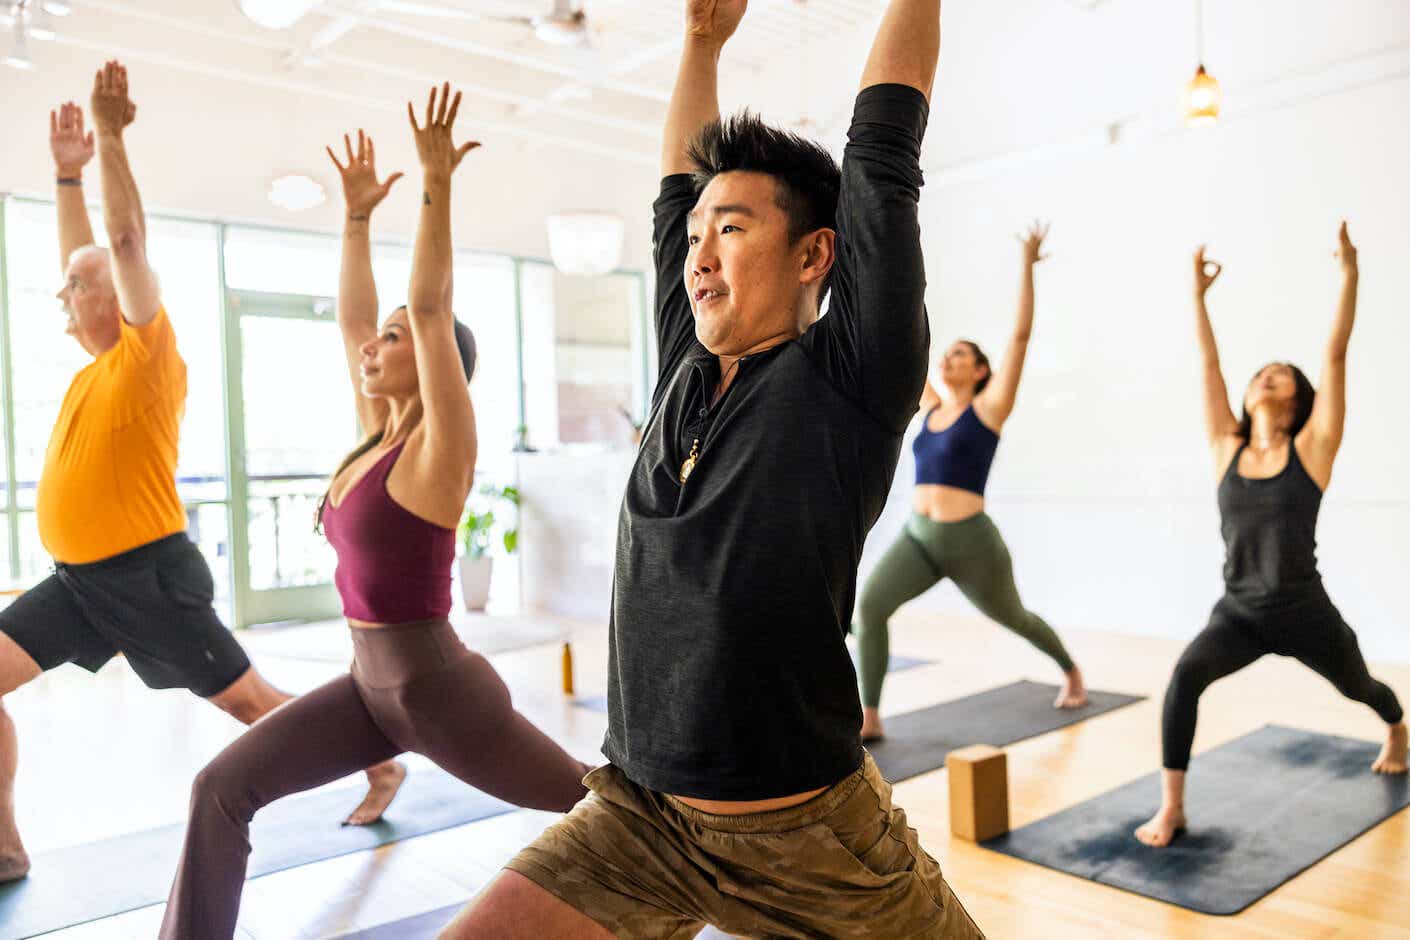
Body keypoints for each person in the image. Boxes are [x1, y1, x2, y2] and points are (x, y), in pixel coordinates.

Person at [442, 2, 982, 937]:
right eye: (696, 236)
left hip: (805, 837)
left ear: (815, 254)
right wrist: (700, 43)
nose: (698, 254)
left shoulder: (850, 375)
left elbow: (883, 155)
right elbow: (671, 196)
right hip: (638, 816)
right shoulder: (682, 369)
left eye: (730, 229)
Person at [158, 86, 591, 938]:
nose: (372, 343)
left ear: (434, 365)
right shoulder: (375, 442)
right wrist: (355, 219)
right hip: (369, 691)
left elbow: (427, 308)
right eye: (379, 337)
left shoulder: (440, 454)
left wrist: (437, 184)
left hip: (441, 696)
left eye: (394, 340)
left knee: (603, 806)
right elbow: (357, 317)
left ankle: (735, 873)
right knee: (220, 788)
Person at [0, 62, 402, 885]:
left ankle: (376, 756)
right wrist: (66, 175)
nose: (62, 297)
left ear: (115, 298)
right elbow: (87, 259)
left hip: (148, 582)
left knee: (250, 706)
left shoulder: (147, 357)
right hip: (81, 585)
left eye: (74, 289)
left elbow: (117, 249)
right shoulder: (94, 365)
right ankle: (5, 845)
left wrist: (110, 140)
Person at [1135, 225, 1407, 848]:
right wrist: (1198, 298)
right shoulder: (1224, 447)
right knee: (1184, 678)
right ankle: (1172, 806)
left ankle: (1397, 726)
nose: (1266, 377)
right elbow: (1209, 364)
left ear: (1298, 399)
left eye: (1281, 375)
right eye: (1262, 373)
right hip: (1239, 613)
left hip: (1304, 611)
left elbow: (1335, 356)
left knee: (1360, 687)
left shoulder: (1313, 450)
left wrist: (1351, 275)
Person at [854, 221, 1085, 740]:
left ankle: (1070, 670)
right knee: (869, 606)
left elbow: (1020, 337)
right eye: (948, 354)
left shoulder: (989, 409)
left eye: (962, 355)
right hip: (919, 537)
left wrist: (1027, 268)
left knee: (1015, 617)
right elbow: (900, 344)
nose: (949, 359)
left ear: (981, 371)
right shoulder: (931, 407)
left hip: (971, 542)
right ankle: (870, 715)